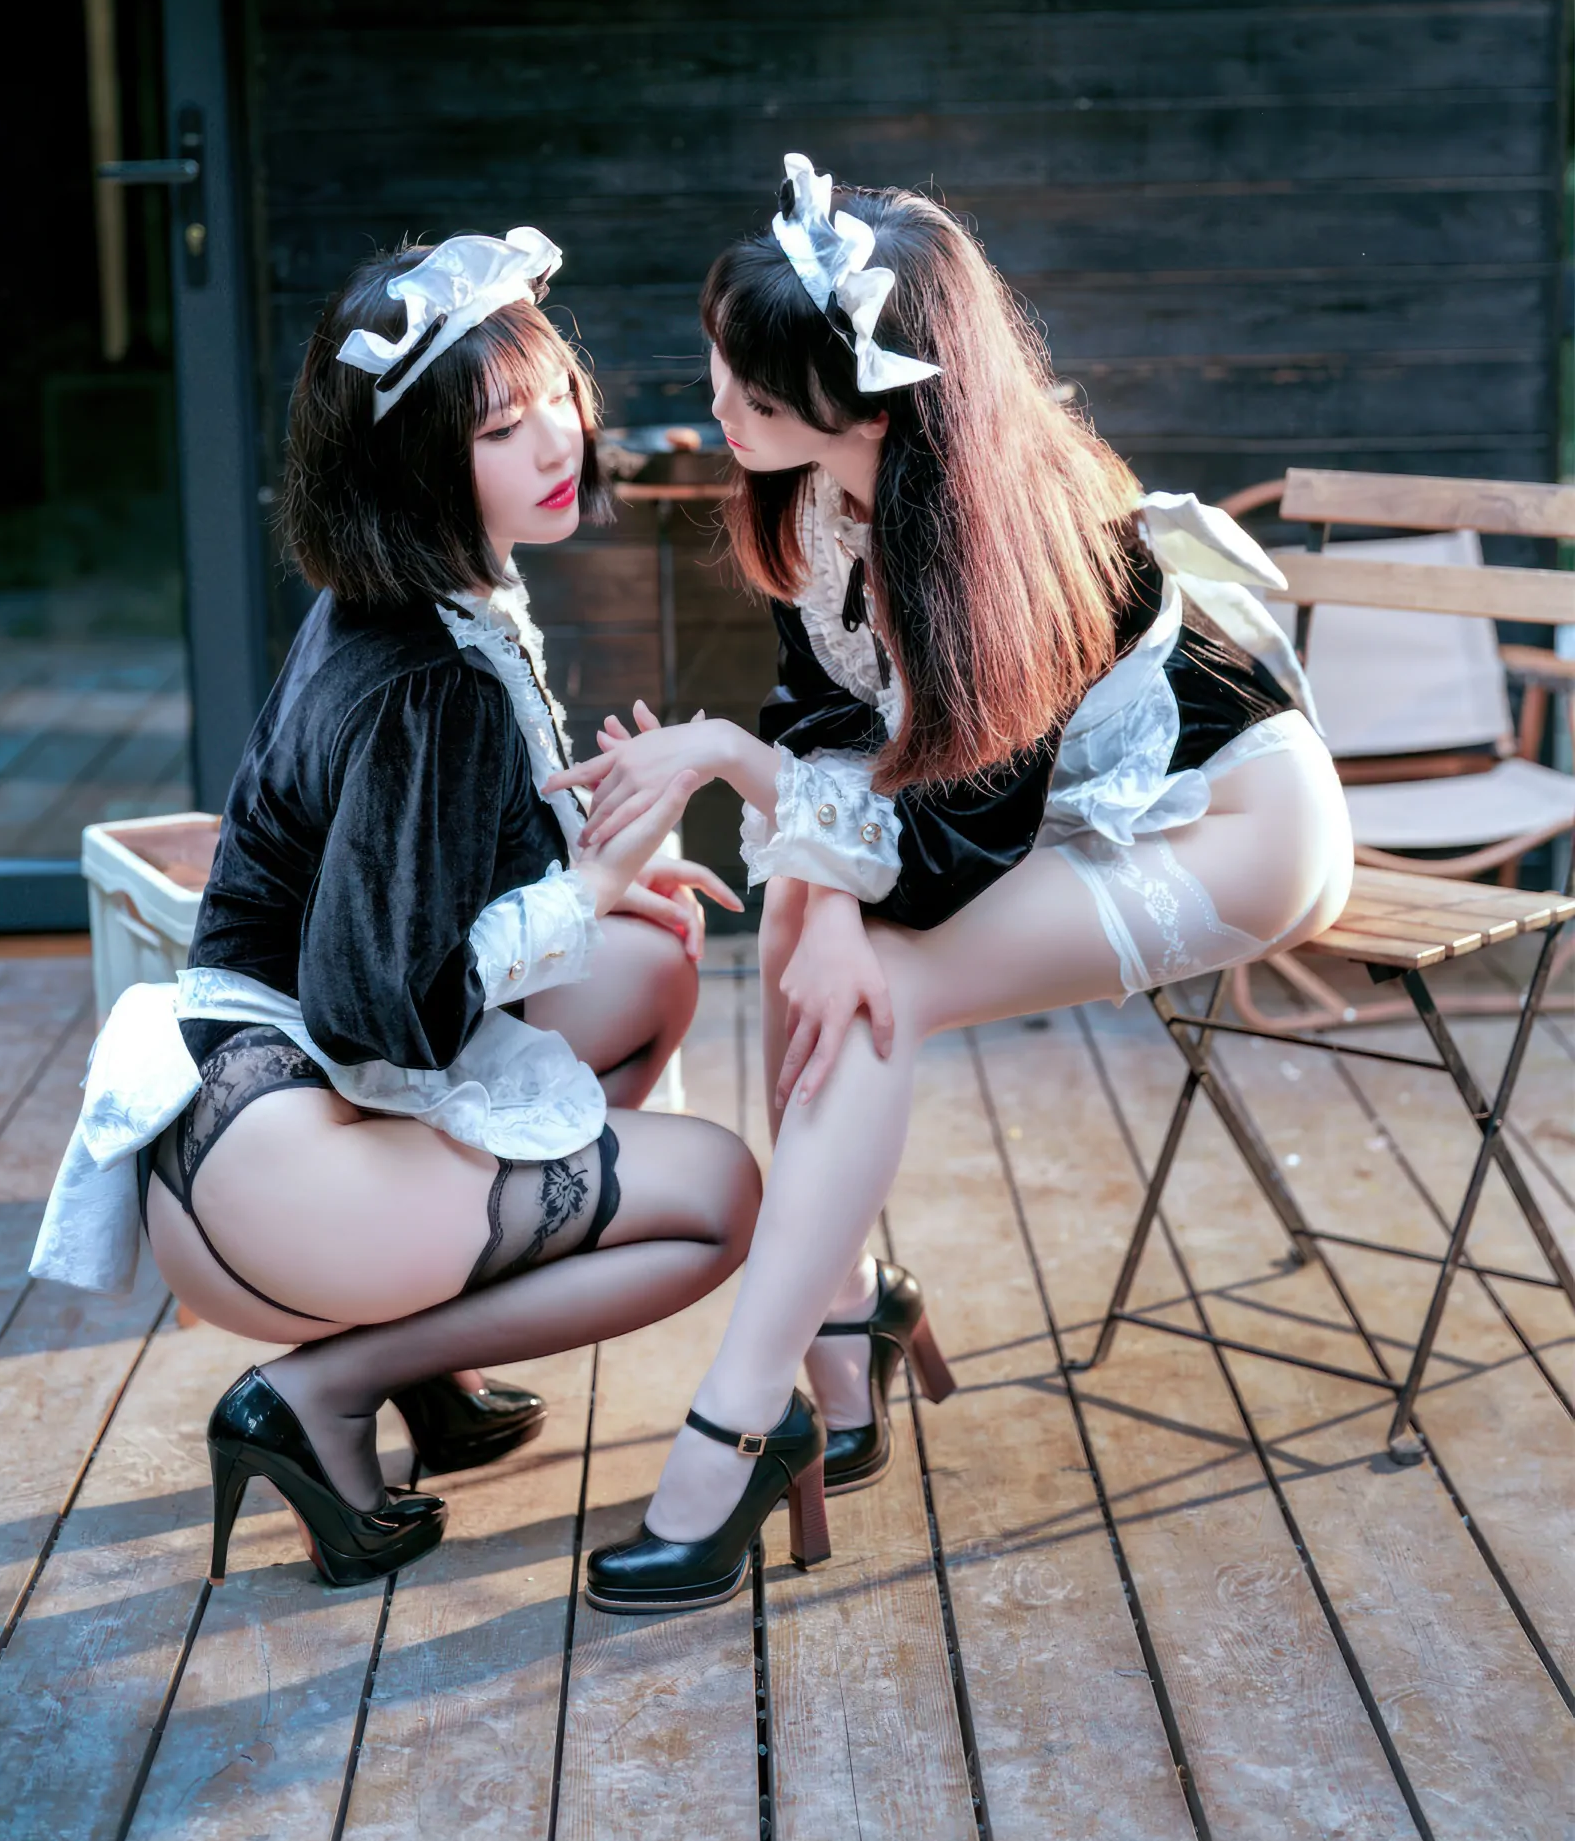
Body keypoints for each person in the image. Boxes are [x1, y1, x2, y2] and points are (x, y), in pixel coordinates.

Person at [548, 157, 1353, 1613]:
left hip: (1232, 825)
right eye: (722, 366)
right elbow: (830, 720)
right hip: (1021, 812)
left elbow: (940, 854)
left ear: (870, 409)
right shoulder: (824, 491)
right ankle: (842, 1318)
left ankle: (740, 1427)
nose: (719, 408)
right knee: (807, 924)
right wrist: (809, 879)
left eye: (752, 393)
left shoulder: (1010, 536)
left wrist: (725, 760)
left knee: (878, 987)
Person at [31, 230, 768, 1592]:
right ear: (416, 462)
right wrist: (592, 882)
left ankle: (433, 1369)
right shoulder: (426, 675)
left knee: (651, 963)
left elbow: (412, 864)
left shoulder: (415, 593)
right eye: (499, 427)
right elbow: (378, 1006)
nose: (557, 440)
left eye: (554, 396)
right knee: (723, 1198)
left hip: (256, 1107)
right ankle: (323, 1391)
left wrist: (597, 874)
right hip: (277, 1172)